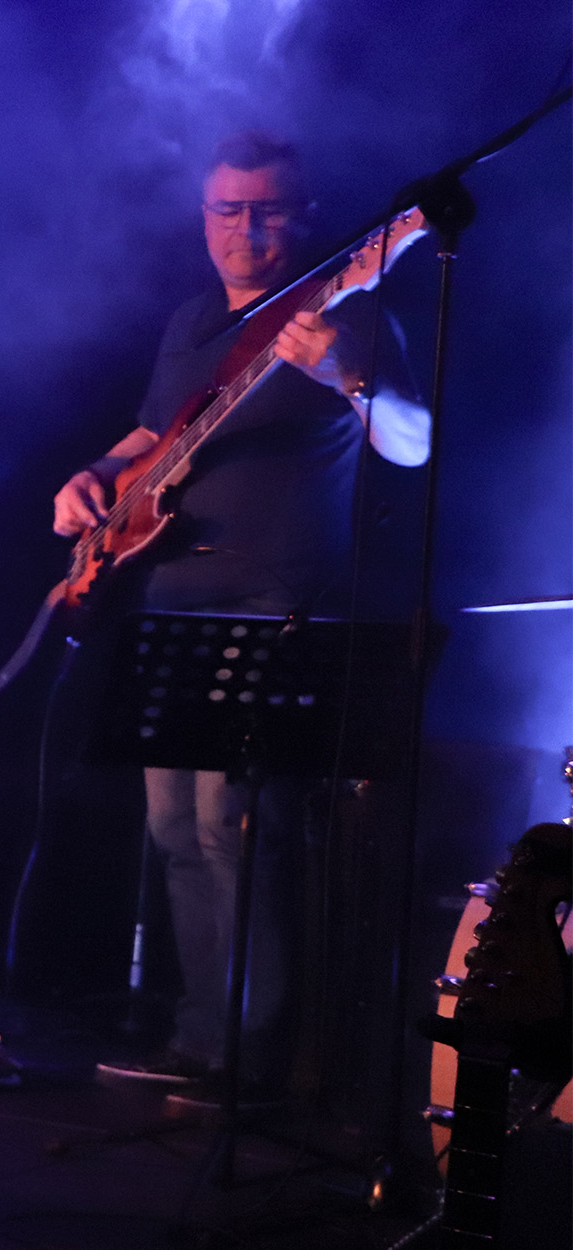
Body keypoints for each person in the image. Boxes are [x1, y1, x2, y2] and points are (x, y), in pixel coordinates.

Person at [55, 131, 428, 1096]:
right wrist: (93, 474)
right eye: (229, 209)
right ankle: (199, 1037)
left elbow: (414, 444)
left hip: (271, 608)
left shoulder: (347, 309)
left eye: (267, 210)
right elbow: (157, 428)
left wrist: (346, 375)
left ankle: (251, 1052)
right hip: (169, 599)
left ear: (304, 217)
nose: (246, 228)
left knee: (236, 829)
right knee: (174, 831)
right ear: (204, 216)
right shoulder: (192, 320)